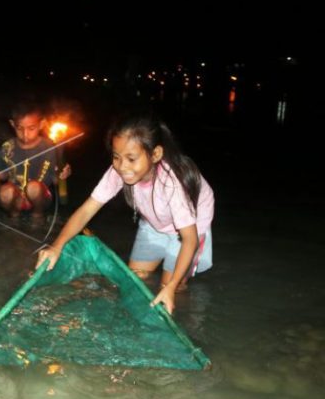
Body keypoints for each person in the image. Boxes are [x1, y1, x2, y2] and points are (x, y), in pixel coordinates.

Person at [36, 112, 214, 314]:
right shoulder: (118, 172)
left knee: (170, 289)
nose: (122, 167)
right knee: (133, 280)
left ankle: (180, 300)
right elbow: (87, 209)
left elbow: (189, 239)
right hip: (156, 221)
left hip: (190, 227)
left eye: (131, 158)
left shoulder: (172, 184)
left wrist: (171, 287)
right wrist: (57, 246)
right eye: (116, 157)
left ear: (155, 154)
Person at [0, 100, 71, 221]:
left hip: (41, 198)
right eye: (19, 128)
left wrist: (63, 174)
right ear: (12, 124)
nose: (25, 134)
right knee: (5, 190)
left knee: (33, 187)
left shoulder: (50, 147)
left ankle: (37, 217)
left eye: (31, 128)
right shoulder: (7, 148)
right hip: (16, 198)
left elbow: (55, 180)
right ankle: (14, 217)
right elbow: (3, 176)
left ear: (41, 124)